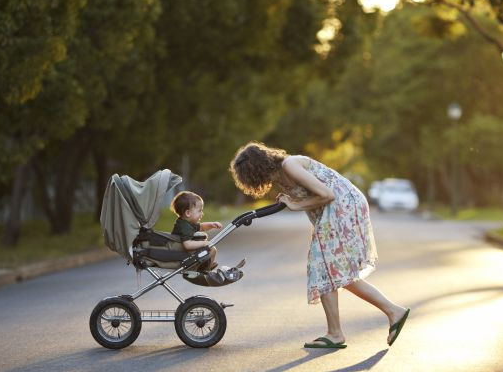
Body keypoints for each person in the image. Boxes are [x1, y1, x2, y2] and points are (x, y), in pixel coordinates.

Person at [229, 142, 410, 348]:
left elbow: (327, 195)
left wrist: (295, 204)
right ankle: (387, 313)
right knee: (332, 271)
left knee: (323, 267)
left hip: (343, 206)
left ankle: (339, 332)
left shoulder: (290, 165)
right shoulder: (281, 175)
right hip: (335, 209)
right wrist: (292, 201)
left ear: (257, 169)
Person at [170, 191, 244, 284]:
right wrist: (205, 243)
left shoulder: (187, 222)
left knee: (212, 249)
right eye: (199, 210)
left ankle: (207, 265)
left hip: (185, 252)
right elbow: (187, 245)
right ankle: (206, 270)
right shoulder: (184, 226)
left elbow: (201, 226)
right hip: (183, 254)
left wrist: (211, 224)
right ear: (188, 213)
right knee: (211, 249)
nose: (202, 213)